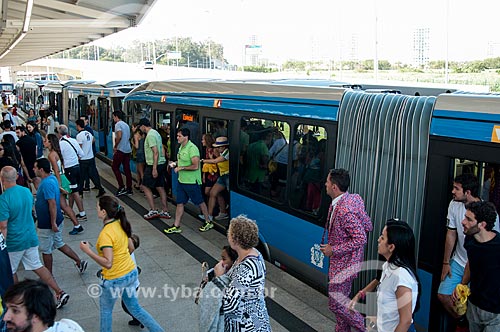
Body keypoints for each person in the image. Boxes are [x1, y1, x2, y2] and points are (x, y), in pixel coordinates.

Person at [79, 195, 164, 332]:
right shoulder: (121, 224)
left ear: (104, 212)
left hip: (114, 279)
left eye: (98, 207)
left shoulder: (106, 234)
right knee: (136, 309)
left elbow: (108, 263)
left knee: (106, 312)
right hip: (131, 273)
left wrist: (87, 251)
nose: (96, 209)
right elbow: (131, 248)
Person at [0, 166, 69, 309]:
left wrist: (3, 243)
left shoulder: (4, 199)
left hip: (14, 241)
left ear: (2, 179)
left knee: (11, 271)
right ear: (17, 177)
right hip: (30, 237)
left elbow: (3, 226)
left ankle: (18, 302)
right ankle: (59, 292)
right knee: (37, 265)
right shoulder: (26, 191)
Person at [438, 173, 500, 328]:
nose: (463, 222)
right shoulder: (470, 242)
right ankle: (462, 321)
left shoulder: (495, 244)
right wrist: (447, 264)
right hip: (462, 268)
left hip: (493, 310)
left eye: (456, 188)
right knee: (443, 295)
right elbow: (452, 234)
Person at [319, 168, 373, 332]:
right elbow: (368, 224)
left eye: (327, 181)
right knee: (341, 302)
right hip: (346, 263)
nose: (325, 184)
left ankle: (368, 328)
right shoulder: (353, 199)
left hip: (344, 265)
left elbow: (361, 237)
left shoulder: (344, 210)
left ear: (334, 186)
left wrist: (333, 250)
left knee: (336, 304)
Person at [349, 220, 420, 332]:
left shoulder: (401, 277)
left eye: (382, 238)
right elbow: (379, 281)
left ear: (391, 247)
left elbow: (405, 321)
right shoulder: (388, 265)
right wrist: (359, 296)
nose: (378, 240)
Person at [213, 215, 271, 331]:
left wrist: (219, 277)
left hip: (247, 326)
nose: (227, 234)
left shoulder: (247, 267)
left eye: (229, 232)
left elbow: (229, 304)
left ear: (235, 240)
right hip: (255, 320)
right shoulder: (254, 253)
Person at [34, 158, 88, 275]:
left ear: (41, 169)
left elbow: (52, 203)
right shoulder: (52, 178)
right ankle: (79, 261)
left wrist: (52, 222)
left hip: (48, 223)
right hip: (56, 219)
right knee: (59, 243)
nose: (33, 169)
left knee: (46, 250)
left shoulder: (47, 183)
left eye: (35, 167)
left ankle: (48, 275)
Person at [453, 201, 500, 331]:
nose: (463, 222)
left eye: (468, 219)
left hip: (495, 312)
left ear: (482, 224)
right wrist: (462, 285)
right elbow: (470, 262)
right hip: (474, 306)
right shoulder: (470, 240)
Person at [164, 128, 211, 234]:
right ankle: (176, 225)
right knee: (180, 203)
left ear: (186, 137)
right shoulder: (181, 147)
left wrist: (181, 168)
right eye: (177, 136)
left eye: (179, 136)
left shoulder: (192, 149)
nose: (177, 138)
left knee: (200, 202)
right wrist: (175, 164)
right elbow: (181, 160)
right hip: (182, 181)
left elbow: (195, 166)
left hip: (191, 182)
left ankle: (208, 221)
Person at [2, 279, 84, 332]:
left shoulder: (69, 327)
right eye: (7, 309)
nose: (6, 317)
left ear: (36, 315)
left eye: (15, 311)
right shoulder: (68, 325)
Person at [43, 133, 83, 236]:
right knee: (63, 205)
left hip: (59, 179)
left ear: (50, 142)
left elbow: (56, 170)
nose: (44, 142)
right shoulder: (57, 152)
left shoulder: (51, 155)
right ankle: (76, 225)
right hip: (63, 177)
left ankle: (76, 225)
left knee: (63, 205)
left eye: (46, 140)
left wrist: (59, 185)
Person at [137, 118, 171, 220]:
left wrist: (154, 168)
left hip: (153, 164)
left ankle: (153, 210)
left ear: (143, 126)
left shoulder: (150, 135)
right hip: (161, 163)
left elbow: (155, 152)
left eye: (140, 127)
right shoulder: (156, 133)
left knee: (145, 186)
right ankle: (165, 211)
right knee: (160, 187)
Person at [199, 245, 238, 332]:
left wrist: (218, 279)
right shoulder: (214, 272)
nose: (220, 262)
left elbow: (225, 301)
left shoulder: (236, 280)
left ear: (234, 261)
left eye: (224, 259)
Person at [57, 125, 87, 225]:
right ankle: (68, 210)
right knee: (72, 190)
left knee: (75, 192)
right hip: (77, 167)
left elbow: (58, 158)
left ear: (59, 134)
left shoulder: (61, 143)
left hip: (69, 170)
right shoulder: (73, 140)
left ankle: (82, 214)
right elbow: (81, 154)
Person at [201, 136, 229, 221]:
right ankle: (210, 215)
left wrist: (203, 160)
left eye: (218, 147)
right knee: (213, 193)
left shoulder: (227, 153)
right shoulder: (220, 152)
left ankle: (225, 210)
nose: (216, 148)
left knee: (230, 196)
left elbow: (215, 161)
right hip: (222, 176)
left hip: (228, 176)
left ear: (224, 147)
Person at [75, 119, 105, 198]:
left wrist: (78, 157)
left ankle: (80, 192)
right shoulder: (88, 133)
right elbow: (93, 140)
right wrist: (88, 146)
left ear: (78, 126)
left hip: (83, 159)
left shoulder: (79, 136)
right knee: (93, 174)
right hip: (90, 158)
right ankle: (101, 189)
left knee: (81, 176)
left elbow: (80, 148)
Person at [111, 111, 133, 196]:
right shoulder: (126, 125)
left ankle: (121, 186)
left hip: (121, 150)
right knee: (127, 169)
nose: (113, 119)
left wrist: (115, 146)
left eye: (113, 117)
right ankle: (129, 188)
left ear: (116, 117)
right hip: (127, 149)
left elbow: (119, 136)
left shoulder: (118, 125)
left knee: (114, 167)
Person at [132, 123, 146, 190]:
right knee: (138, 170)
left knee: (141, 172)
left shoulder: (136, 135)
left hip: (139, 154)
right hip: (143, 153)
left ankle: (143, 187)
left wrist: (132, 143)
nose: (132, 129)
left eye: (132, 127)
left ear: (135, 127)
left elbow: (137, 146)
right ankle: (138, 184)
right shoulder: (143, 134)